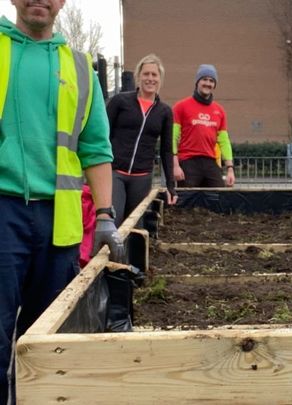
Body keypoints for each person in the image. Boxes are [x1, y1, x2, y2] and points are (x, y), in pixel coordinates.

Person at [0, 2, 123, 403]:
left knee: (48, 339)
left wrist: (105, 214)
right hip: (2, 213)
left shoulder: (80, 68)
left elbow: (95, 147)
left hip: (59, 223)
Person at [107, 54, 177, 227]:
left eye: (154, 75)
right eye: (146, 74)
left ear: (160, 79)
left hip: (142, 177)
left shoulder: (164, 111)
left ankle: (130, 256)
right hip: (115, 173)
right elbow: (103, 135)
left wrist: (170, 185)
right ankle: (106, 254)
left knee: (135, 226)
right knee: (113, 222)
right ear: (138, 77)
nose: (150, 79)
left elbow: (167, 150)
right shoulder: (120, 101)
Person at [172, 64, 235, 187]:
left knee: (219, 198)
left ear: (214, 85)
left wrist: (230, 169)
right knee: (188, 202)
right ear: (197, 82)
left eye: (211, 81)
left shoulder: (220, 111)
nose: (208, 83)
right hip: (188, 161)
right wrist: (175, 166)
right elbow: (172, 138)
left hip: (210, 161)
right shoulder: (180, 107)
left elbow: (224, 141)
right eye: (204, 79)